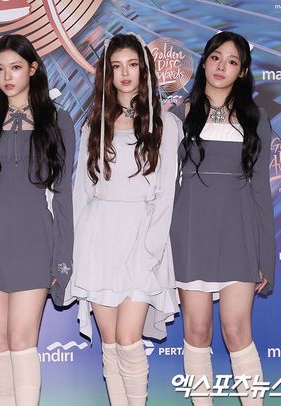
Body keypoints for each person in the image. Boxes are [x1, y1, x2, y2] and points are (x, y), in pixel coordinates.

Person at [0, 34, 75, 405]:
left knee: (23, 341)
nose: (7, 76)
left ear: (33, 69)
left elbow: (63, 195)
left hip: (34, 239)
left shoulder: (58, 120)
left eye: (16, 67)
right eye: (0, 69)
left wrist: (62, 256)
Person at [65, 33, 181, 406]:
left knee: (129, 340)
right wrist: (74, 251)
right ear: (107, 74)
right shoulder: (93, 124)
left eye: (132, 65)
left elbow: (166, 196)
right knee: (111, 342)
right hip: (98, 239)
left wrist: (150, 251)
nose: (125, 73)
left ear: (144, 70)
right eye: (117, 67)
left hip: (143, 237)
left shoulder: (166, 124)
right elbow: (81, 192)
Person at [170, 31, 276, 406]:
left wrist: (266, 257)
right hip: (189, 233)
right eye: (216, 57)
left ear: (242, 71)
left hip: (238, 234)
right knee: (197, 332)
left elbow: (261, 190)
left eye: (232, 61)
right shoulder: (178, 115)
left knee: (236, 331)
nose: (221, 67)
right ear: (204, 62)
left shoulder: (256, 119)